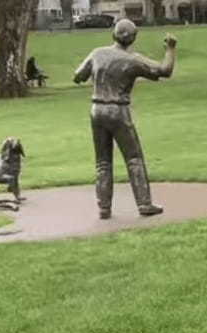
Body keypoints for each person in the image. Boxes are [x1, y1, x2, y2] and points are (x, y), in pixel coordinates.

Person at [73, 19, 177, 219]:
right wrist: (170, 49)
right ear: (132, 39)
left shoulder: (97, 53)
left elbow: (77, 76)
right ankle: (144, 203)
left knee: (102, 162)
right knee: (134, 158)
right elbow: (165, 70)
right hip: (118, 110)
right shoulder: (132, 60)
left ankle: (104, 208)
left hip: (96, 109)